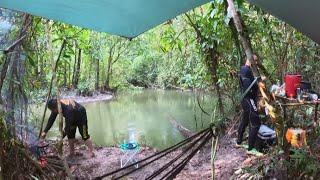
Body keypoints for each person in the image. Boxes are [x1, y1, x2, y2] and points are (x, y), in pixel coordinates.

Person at [236, 55, 263, 155]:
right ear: (251, 61)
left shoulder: (246, 70)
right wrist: (258, 83)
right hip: (248, 99)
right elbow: (248, 86)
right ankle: (251, 148)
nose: (256, 64)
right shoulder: (245, 70)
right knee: (256, 123)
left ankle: (239, 142)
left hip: (246, 99)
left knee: (245, 120)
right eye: (255, 62)